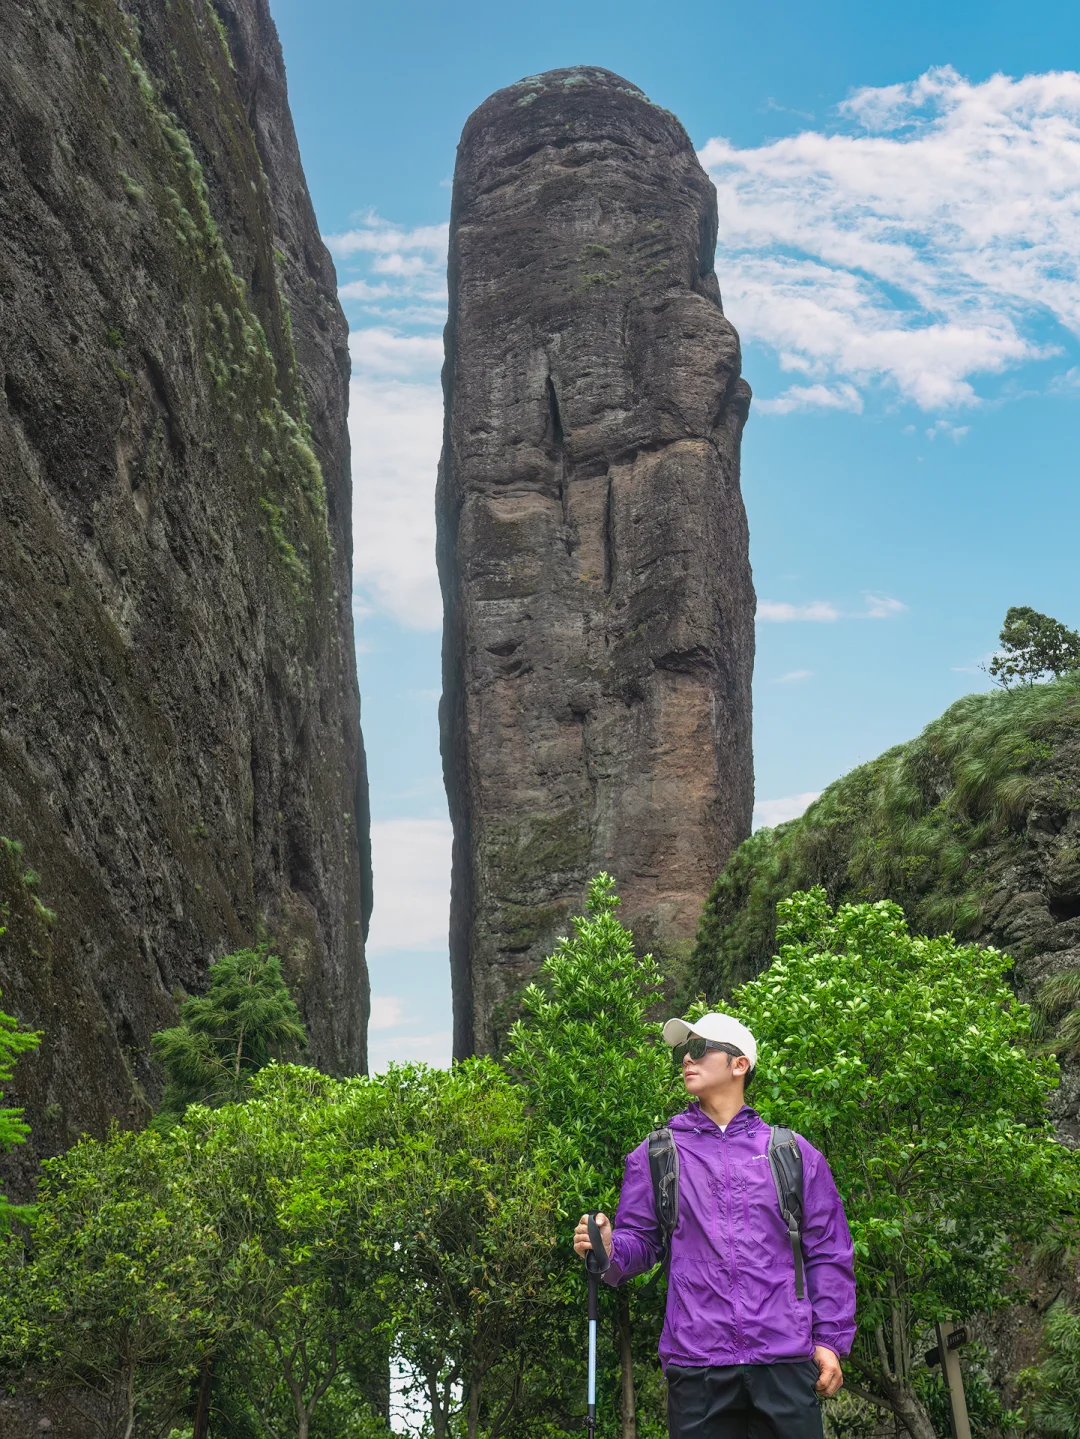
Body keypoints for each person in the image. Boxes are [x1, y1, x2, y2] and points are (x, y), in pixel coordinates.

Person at [574, 1012, 856, 1438]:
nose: (687, 1059)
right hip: (697, 1367)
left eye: (700, 1048)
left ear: (739, 1064)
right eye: (683, 1052)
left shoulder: (793, 1153)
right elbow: (641, 1243)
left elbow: (829, 1253)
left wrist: (829, 1341)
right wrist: (610, 1248)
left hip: (784, 1360)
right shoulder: (658, 1153)